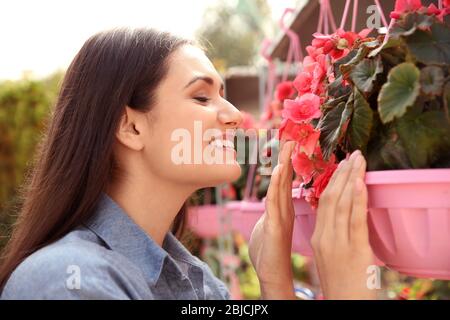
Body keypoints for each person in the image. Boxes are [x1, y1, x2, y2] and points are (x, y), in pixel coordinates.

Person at [0, 28, 375, 300]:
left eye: (223, 96)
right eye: (201, 97)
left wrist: (274, 281)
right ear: (130, 126)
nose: (234, 116)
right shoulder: (66, 283)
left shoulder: (196, 283)